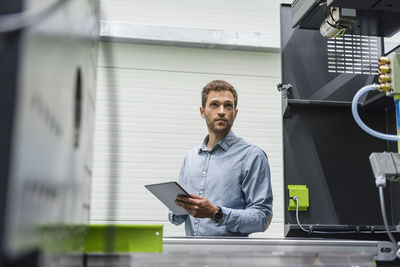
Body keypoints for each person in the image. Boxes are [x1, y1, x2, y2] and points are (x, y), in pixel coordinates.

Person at [168, 80, 273, 236]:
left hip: (229, 258)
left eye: (228, 105)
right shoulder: (191, 158)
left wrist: (216, 213)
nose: (222, 111)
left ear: (235, 113)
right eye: (214, 105)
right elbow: (176, 219)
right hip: (192, 255)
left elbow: (261, 218)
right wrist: (178, 207)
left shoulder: (252, 156)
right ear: (202, 112)